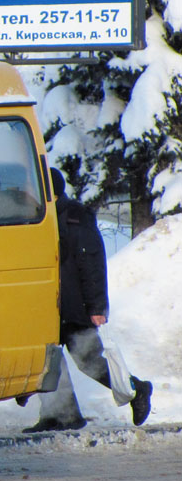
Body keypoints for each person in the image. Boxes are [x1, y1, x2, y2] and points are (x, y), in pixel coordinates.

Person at [23, 169, 153, 432]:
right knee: (48, 360)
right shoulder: (40, 218)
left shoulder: (75, 217)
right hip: (50, 306)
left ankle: (136, 389)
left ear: (51, 192)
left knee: (89, 361)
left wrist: (96, 307)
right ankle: (61, 415)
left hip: (75, 305)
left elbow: (91, 263)